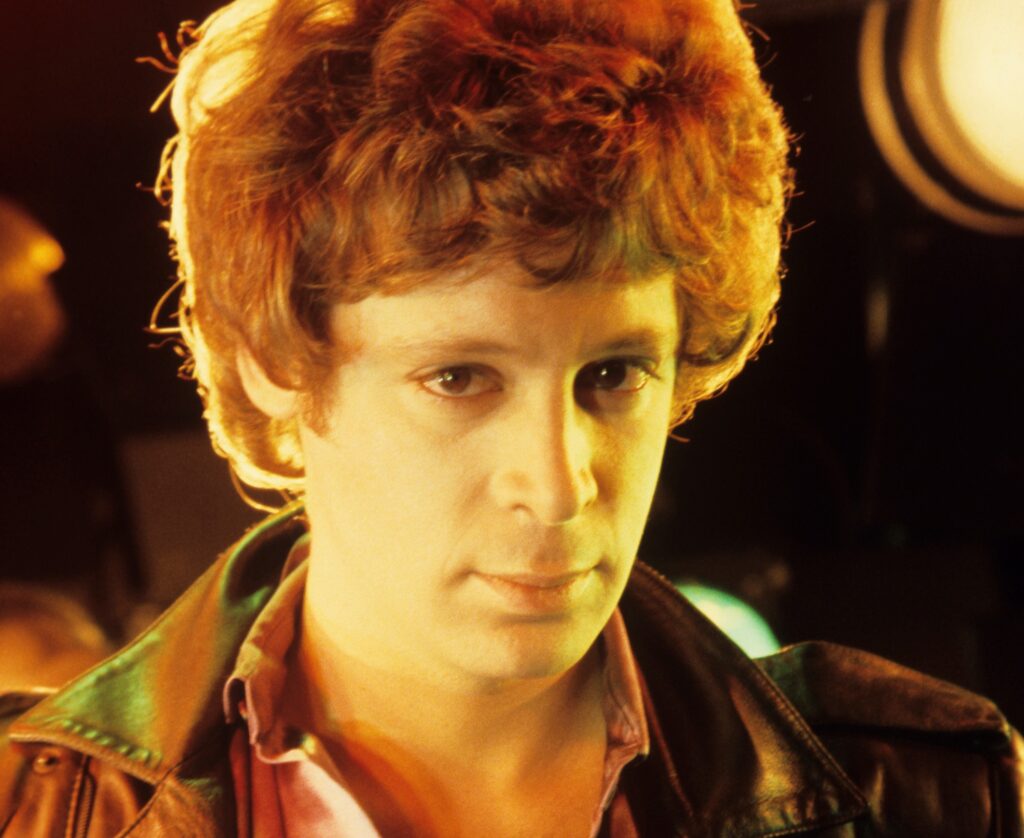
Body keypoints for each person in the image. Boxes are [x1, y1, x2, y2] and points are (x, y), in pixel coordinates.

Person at [1, 0, 1021, 834]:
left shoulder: (920, 796)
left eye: (614, 373)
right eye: (460, 378)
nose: (560, 482)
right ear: (273, 362)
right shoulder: (29, 812)